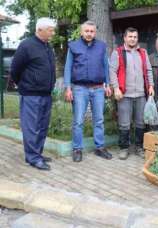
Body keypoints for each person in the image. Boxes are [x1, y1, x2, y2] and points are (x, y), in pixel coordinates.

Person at [10, 18, 56, 171]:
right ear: (40, 30)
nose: (53, 33)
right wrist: (22, 84)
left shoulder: (47, 46)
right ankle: (33, 158)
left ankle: (37, 154)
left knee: (42, 126)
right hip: (31, 94)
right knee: (31, 127)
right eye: (51, 30)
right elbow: (15, 69)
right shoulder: (27, 45)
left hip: (46, 94)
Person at [64, 21, 112, 162]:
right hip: (80, 89)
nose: (89, 33)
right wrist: (68, 87)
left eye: (92, 31)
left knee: (99, 120)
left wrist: (107, 84)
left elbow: (105, 66)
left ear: (95, 33)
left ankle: (99, 148)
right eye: (87, 31)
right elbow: (68, 67)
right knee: (78, 121)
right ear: (81, 32)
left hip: (98, 89)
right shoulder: (73, 46)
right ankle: (77, 149)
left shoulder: (101, 46)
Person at [109, 27, 154, 160]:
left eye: (135, 37)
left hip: (141, 94)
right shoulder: (118, 53)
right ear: (125, 38)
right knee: (124, 123)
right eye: (130, 36)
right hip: (124, 94)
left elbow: (149, 70)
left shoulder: (143, 52)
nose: (133, 39)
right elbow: (112, 72)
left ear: (137, 38)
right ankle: (124, 148)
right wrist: (116, 88)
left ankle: (139, 147)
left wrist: (151, 85)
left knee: (141, 122)